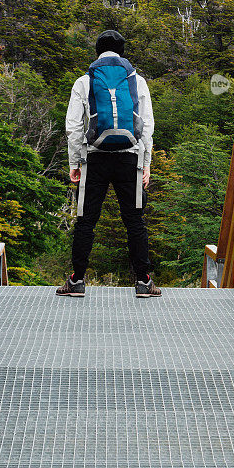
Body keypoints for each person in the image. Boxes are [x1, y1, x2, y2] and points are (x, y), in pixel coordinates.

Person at [56, 29, 161, 298]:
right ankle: (144, 282)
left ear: (97, 51)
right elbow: (146, 126)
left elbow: (73, 127)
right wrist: (146, 163)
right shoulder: (137, 81)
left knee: (85, 221)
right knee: (134, 221)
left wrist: (75, 162)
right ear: (122, 52)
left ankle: (77, 281)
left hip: (94, 158)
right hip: (130, 158)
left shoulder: (84, 81)